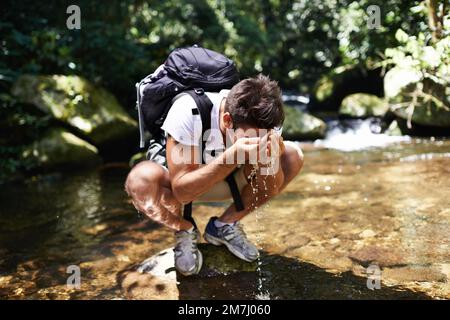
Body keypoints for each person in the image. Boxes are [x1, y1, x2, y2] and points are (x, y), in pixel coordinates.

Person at [125, 74, 304, 276]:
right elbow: (183, 193)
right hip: (181, 186)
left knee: (292, 155)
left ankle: (224, 225)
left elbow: (270, 187)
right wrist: (233, 155)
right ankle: (184, 229)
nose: (257, 142)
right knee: (139, 181)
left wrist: (269, 160)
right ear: (227, 120)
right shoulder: (188, 111)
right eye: (252, 138)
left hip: (231, 182)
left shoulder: (265, 122)